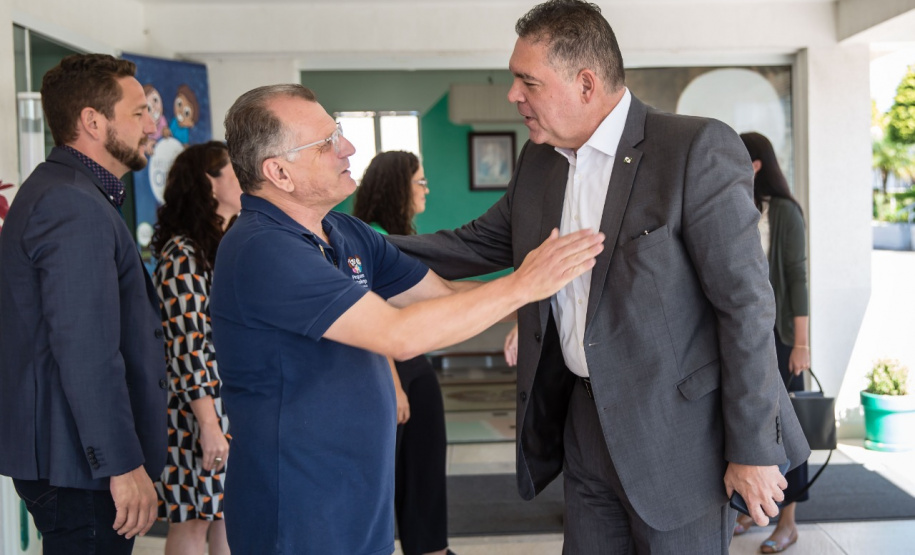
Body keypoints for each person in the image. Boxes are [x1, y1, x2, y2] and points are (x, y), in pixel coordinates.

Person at [388, 1, 811, 552]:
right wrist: (344, 242)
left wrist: (753, 447)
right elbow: (471, 244)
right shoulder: (539, 162)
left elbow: (746, 307)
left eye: (527, 82)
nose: (513, 95)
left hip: (680, 436)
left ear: (586, 84)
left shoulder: (693, 148)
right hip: (585, 426)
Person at [210, 83, 605, 554]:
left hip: (361, 498)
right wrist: (524, 285)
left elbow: (440, 295)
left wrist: (532, 304)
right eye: (326, 142)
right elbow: (398, 335)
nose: (349, 147)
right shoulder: (263, 247)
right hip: (297, 506)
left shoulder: (344, 230)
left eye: (338, 132)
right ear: (279, 172)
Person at [0, 53, 166, 553]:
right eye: (138, 113)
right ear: (93, 121)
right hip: (80, 465)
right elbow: (86, 349)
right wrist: (120, 463)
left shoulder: (76, 194)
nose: (153, 125)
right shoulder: (71, 202)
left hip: (76, 460)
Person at [353, 151, 452, 555]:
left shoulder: (386, 236)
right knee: (412, 483)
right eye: (420, 181)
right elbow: (370, 324)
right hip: (399, 374)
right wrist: (393, 385)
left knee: (419, 483)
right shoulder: (374, 238)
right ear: (399, 187)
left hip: (409, 372)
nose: (425, 189)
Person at [150, 141, 241, 555]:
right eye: (234, 171)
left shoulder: (224, 245)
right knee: (192, 522)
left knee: (228, 517)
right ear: (209, 183)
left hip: (231, 404)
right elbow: (187, 345)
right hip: (197, 408)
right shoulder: (182, 255)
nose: (246, 179)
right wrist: (208, 424)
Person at [733, 132, 810, 553]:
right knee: (748, 426)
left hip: (779, 341)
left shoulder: (784, 212)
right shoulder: (736, 207)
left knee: (786, 430)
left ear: (757, 165)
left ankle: (789, 523)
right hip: (744, 341)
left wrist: (802, 344)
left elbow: (797, 279)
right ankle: (751, 509)